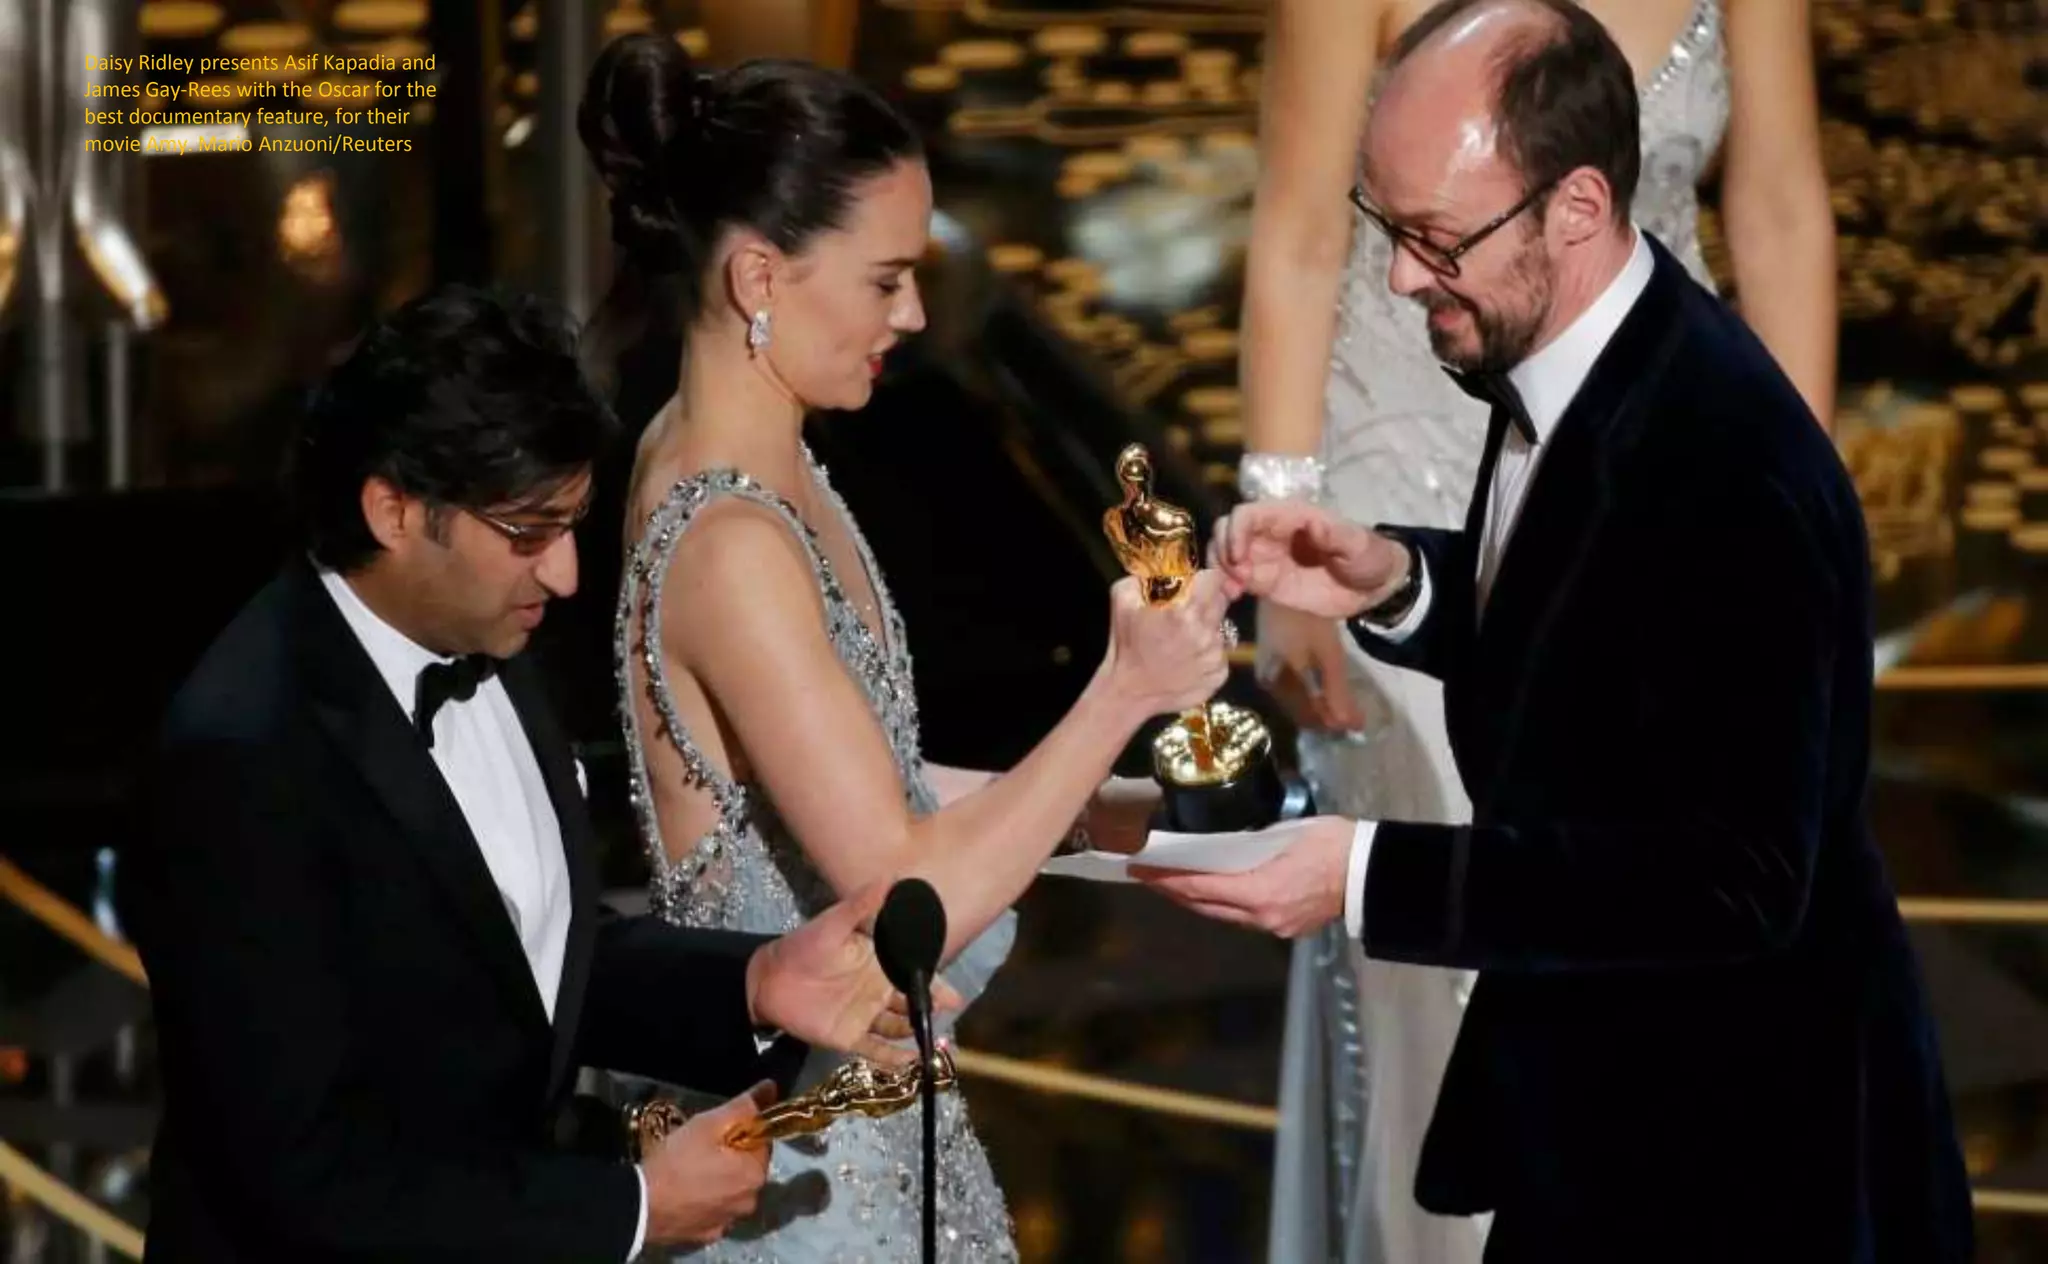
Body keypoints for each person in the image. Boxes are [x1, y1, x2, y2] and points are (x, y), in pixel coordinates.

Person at [1137, 3, 1972, 1258]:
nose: (1403, 278)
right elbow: (1596, 675)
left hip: (1733, 1165)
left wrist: (1360, 873)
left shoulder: (1722, 468)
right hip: (1609, 1116)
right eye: (1391, 232)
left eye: (1432, 240)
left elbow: (1725, 880)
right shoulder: (1570, 365)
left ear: (1574, 207)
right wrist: (1400, 586)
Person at [576, 35, 1236, 1261]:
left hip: (870, 1130)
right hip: (808, 1162)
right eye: (884, 280)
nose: (917, 312)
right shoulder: (729, 545)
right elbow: (899, 899)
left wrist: (1092, 816)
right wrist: (1120, 690)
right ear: (759, 277)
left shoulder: (763, 468)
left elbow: (848, 779)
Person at [126, 285, 937, 1263]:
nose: (563, 576)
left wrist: (755, 983)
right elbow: (308, 1176)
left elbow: (517, 963)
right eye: (527, 533)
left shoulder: (487, 637)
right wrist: (628, 1213)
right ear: (392, 508)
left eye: (572, 526)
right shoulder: (244, 754)